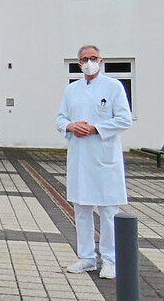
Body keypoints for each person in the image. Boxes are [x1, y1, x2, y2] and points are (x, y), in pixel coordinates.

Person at [57, 45, 131, 280]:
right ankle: (87, 258)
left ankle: (110, 260)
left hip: (105, 158)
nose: (88, 62)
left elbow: (124, 119)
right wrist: (70, 126)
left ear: (101, 61)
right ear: (79, 64)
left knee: (108, 211)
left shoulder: (113, 86)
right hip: (80, 159)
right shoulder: (72, 89)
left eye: (93, 58)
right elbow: (61, 118)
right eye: (84, 59)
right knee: (82, 210)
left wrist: (95, 128)